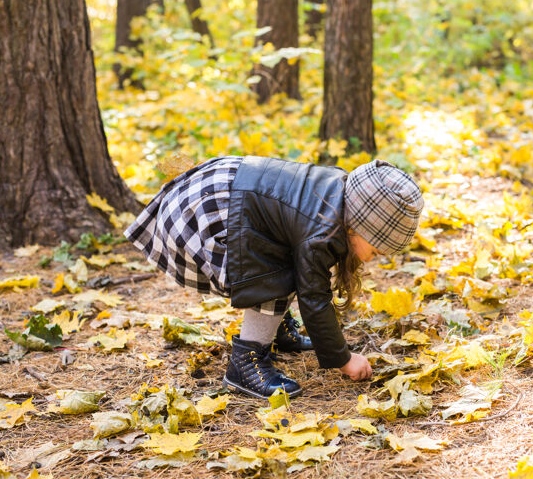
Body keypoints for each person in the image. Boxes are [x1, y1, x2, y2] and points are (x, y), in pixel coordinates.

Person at [124, 155, 424, 399]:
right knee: (272, 272)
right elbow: (314, 298)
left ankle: (276, 331)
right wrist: (343, 360)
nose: (378, 256)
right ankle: (245, 362)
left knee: (283, 255)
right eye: (377, 247)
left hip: (223, 193)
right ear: (358, 225)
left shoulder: (335, 195)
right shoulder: (321, 229)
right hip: (205, 214)